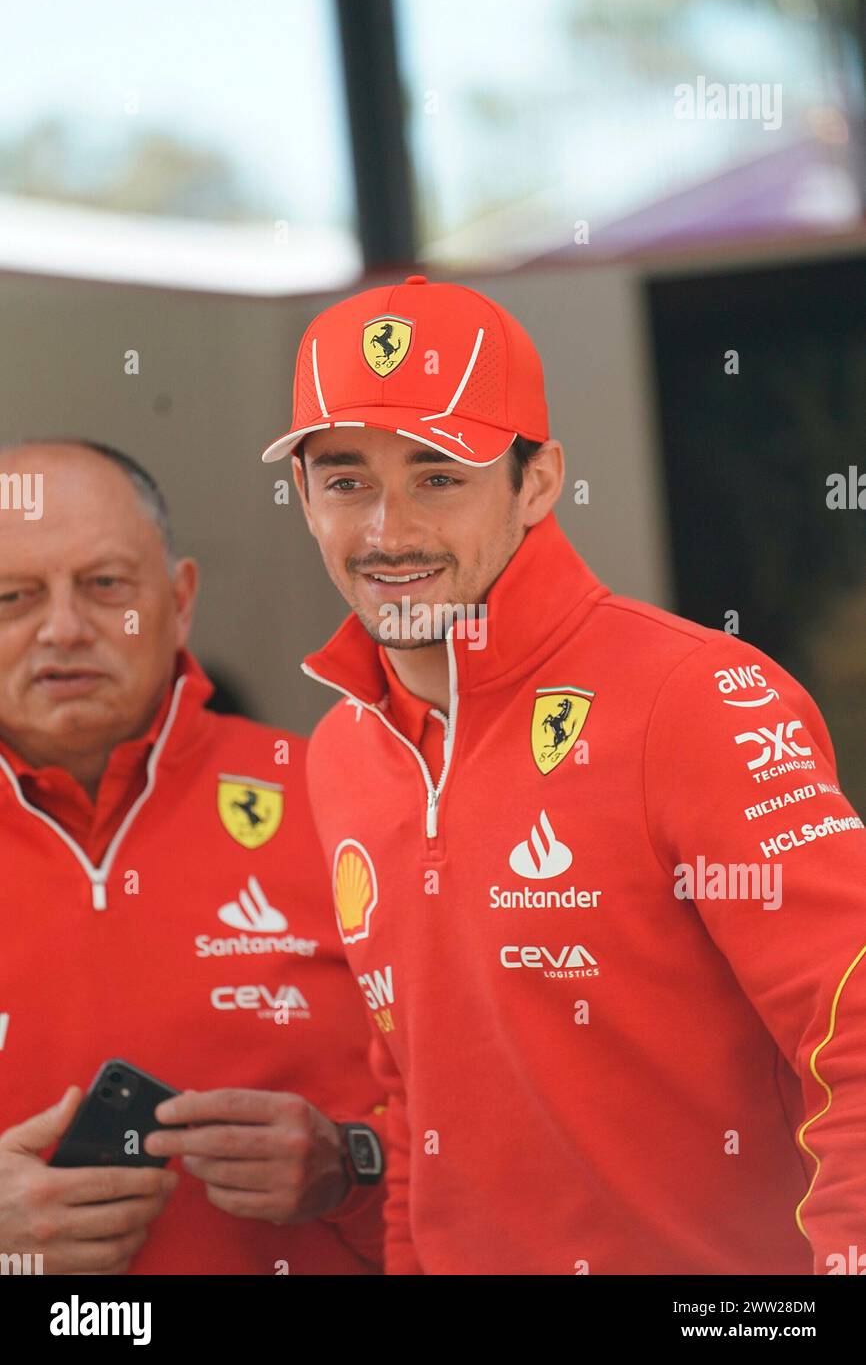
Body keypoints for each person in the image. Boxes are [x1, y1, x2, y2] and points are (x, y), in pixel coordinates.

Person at [261, 273, 866, 1275]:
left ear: (537, 479)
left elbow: (852, 1020)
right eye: (345, 479)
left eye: (437, 475)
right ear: (303, 497)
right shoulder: (342, 751)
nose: (386, 530)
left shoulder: (694, 695)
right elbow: (418, 1097)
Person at [0, 439, 386, 1275]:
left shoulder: (345, 797)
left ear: (179, 600)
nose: (63, 628)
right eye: (13, 597)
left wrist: (352, 1165)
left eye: (106, 586)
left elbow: (509, 1138)